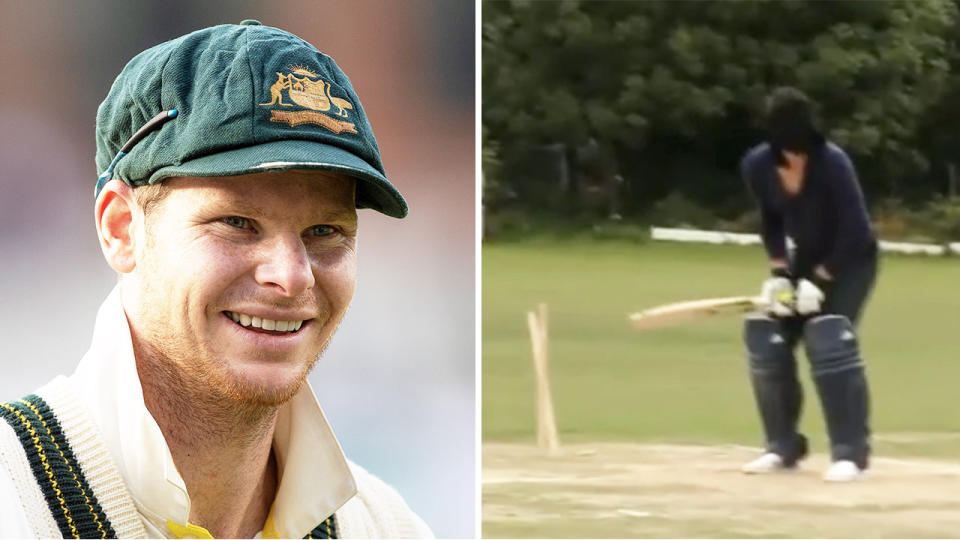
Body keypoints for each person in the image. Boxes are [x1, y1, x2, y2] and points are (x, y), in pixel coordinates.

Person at [0, 21, 433, 538]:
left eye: (324, 230)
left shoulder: (386, 526)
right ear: (121, 229)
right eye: (236, 223)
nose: (291, 277)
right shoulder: (14, 500)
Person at [739, 86, 879, 482]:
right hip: (803, 262)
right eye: (791, 149)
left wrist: (821, 279)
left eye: (803, 147)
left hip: (852, 261)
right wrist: (781, 275)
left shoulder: (833, 163)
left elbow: (857, 229)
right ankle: (782, 446)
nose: (798, 156)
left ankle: (850, 453)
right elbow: (770, 222)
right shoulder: (757, 166)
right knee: (768, 337)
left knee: (830, 337)